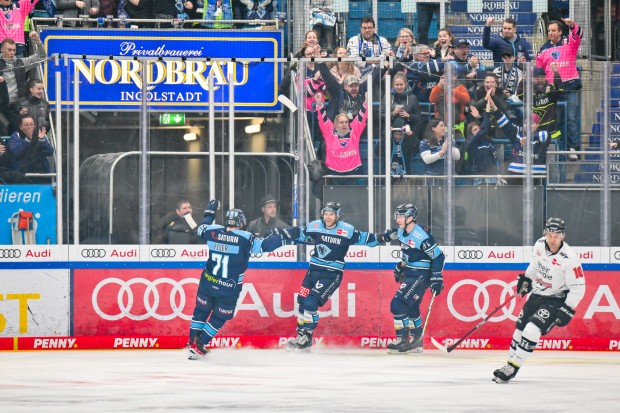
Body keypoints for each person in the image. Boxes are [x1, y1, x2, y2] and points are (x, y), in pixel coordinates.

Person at [186, 199, 293, 359]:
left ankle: (192, 342)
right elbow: (266, 246)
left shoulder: (212, 231)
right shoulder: (245, 238)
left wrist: (210, 211)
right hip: (228, 288)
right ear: (241, 222)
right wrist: (286, 238)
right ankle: (200, 344)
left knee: (200, 312)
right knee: (219, 317)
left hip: (207, 283)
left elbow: (202, 227)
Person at [283, 201, 395, 352]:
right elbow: (298, 234)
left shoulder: (347, 231)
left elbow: (367, 239)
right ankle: (301, 335)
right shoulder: (315, 226)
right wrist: (279, 234)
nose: (328, 217)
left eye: (331, 214)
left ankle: (307, 338)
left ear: (338, 216)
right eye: (326, 213)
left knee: (311, 302)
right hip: (313, 271)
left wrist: (385, 236)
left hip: (331, 274)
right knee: (302, 301)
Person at [492, 217, 585, 383]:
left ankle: (513, 367)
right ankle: (509, 363)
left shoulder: (570, 259)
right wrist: (527, 279)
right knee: (519, 329)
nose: (552, 239)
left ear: (563, 236)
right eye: (549, 235)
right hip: (536, 295)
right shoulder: (540, 244)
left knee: (531, 330)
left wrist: (567, 309)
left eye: (556, 236)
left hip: (554, 300)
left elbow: (578, 287)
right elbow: (535, 265)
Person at [386, 203, 445, 354]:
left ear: (411, 217)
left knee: (397, 304)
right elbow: (411, 254)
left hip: (421, 274)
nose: (397, 219)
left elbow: (438, 256)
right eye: (397, 216)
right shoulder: (401, 232)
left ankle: (403, 339)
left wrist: (437, 277)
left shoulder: (421, 236)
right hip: (411, 272)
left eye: (401, 216)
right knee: (412, 308)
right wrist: (401, 264)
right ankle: (417, 342)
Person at [536, 18, 582, 160]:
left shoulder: (569, 42)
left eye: (554, 30)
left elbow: (579, 36)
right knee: (555, 120)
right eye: (549, 31)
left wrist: (573, 25)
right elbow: (539, 71)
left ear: (560, 31)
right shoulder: (543, 48)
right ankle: (557, 148)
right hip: (553, 91)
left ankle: (572, 148)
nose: (551, 33)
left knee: (571, 119)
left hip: (569, 88)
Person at [0, 34, 46, 135]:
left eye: (14, 50)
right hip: (1, 106)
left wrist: (38, 41)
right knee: (3, 130)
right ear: (2, 50)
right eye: (9, 50)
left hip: (17, 105)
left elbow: (41, 57)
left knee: (18, 132)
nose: (12, 53)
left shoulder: (21, 62)